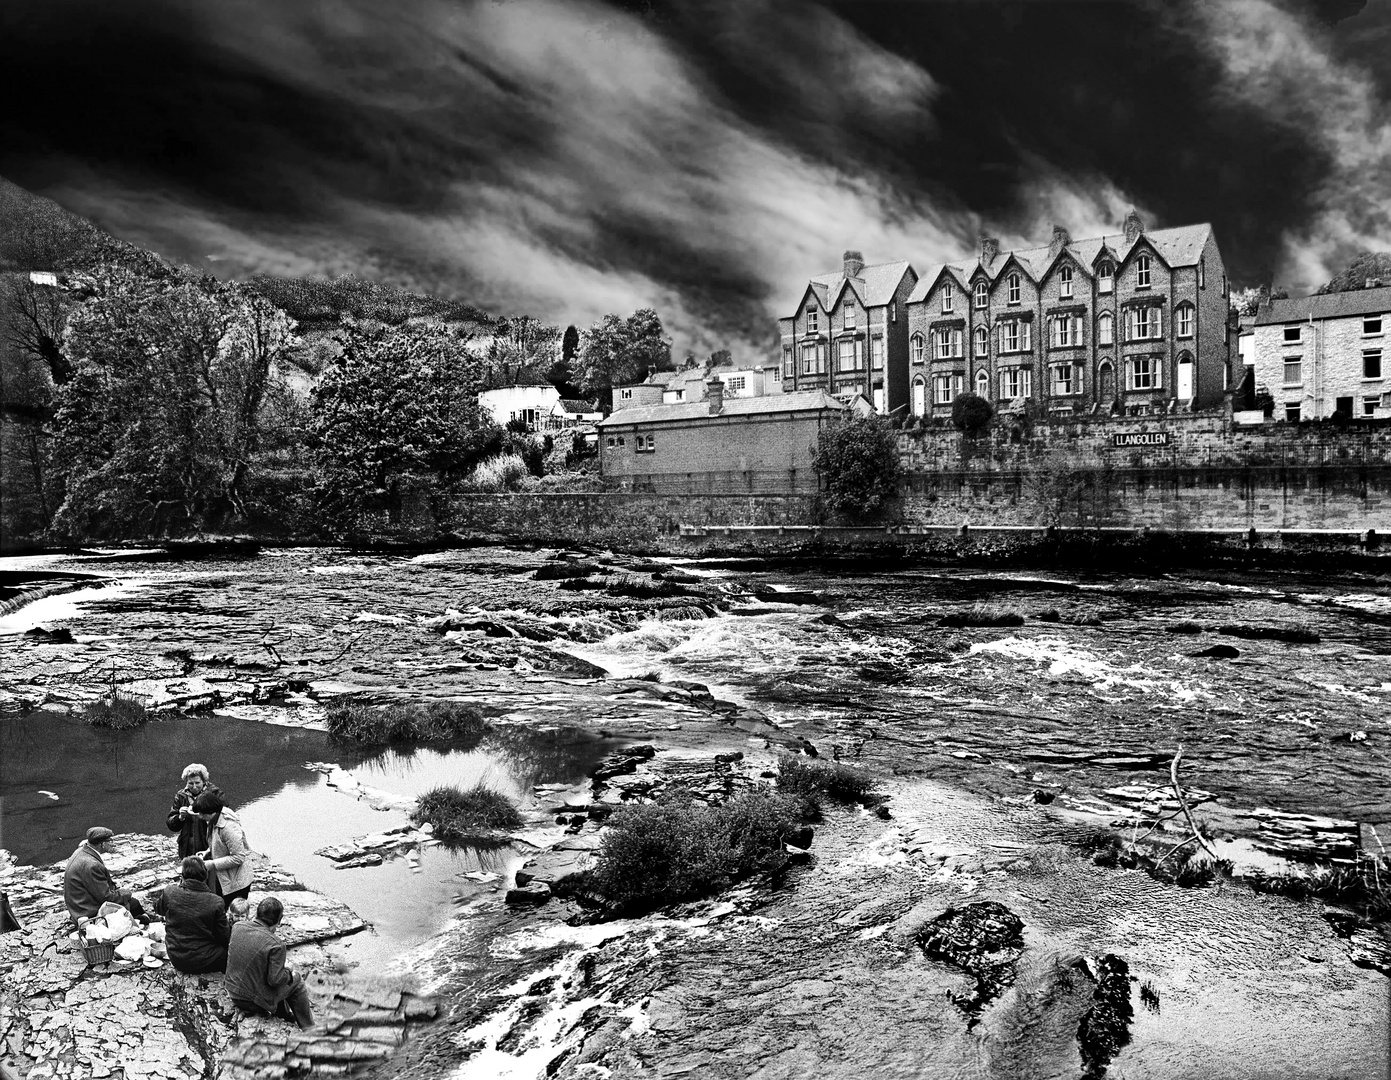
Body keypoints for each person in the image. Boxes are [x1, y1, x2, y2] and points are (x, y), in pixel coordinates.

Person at [225, 897, 314, 1030]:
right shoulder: (276, 944)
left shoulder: (237, 927)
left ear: (256, 913)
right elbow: (275, 980)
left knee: (269, 976)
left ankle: (285, 1015)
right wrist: (288, 972)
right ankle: (309, 1029)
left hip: (232, 991)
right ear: (279, 920)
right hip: (251, 1001)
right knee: (296, 981)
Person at [152, 857, 231, 974]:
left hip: (176, 957)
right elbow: (224, 937)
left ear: (182, 877)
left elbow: (158, 909)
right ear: (205, 877)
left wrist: (179, 887)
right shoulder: (216, 901)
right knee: (234, 952)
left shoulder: (170, 892)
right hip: (204, 959)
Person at [63, 827, 145, 924]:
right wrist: (125, 893)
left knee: (130, 903)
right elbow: (106, 897)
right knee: (133, 903)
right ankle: (147, 922)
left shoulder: (82, 851)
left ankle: (144, 918)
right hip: (86, 911)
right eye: (110, 841)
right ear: (102, 844)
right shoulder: (92, 865)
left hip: (79, 905)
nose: (113, 844)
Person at [192, 792, 254, 910]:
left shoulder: (229, 828)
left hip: (237, 882)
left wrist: (212, 864)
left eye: (201, 813)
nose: (199, 816)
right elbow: (221, 843)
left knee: (233, 911)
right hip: (225, 876)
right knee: (221, 907)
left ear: (211, 811)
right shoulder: (214, 819)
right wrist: (208, 852)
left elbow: (239, 857)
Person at [166, 764, 223, 862]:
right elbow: (171, 825)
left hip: (208, 845)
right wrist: (180, 817)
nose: (194, 787)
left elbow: (223, 819)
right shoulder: (181, 796)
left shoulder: (215, 794)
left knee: (208, 873)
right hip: (187, 846)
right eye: (190, 783)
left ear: (204, 781)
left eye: (197, 783)